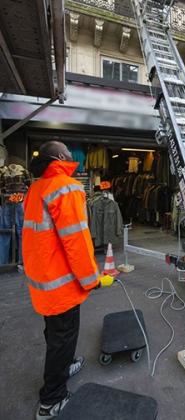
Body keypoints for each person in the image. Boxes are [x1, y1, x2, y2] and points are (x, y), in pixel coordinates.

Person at [23, 141, 114, 419]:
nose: (69, 154)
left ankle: (65, 366)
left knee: (55, 334)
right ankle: (51, 401)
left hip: (42, 280)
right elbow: (77, 240)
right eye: (65, 151)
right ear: (60, 157)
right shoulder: (68, 187)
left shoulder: (36, 188)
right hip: (62, 283)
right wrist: (92, 279)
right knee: (62, 337)